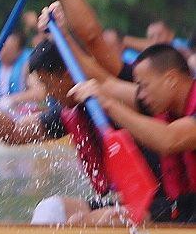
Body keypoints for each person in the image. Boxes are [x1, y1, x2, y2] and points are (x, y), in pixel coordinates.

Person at [0, 33, 170, 225]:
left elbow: (91, 31)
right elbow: (15, 132)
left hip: (166, 204)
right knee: (50, 210)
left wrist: (109, 104)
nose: (48, 94)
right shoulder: (71, 109)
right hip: (126, 203)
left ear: (67, 74)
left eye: (48, 84)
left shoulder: (123, 96)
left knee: (86, 222)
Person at [68, 42, 196, 224]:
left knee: (111, 221)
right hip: (181, 206)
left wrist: (108, 104)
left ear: (171, 80)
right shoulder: (161, 100)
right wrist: (63, 35)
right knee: (76, 218)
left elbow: (169, 139)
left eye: (144, 86)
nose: (140, 95)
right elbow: (105, 82)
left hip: (189, 211)